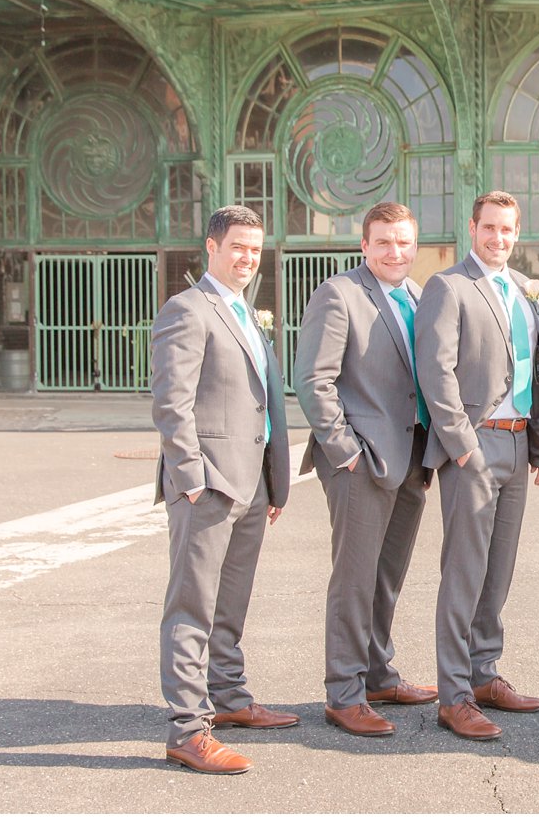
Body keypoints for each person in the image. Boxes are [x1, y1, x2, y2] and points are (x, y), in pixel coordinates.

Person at [416, 191, 539, 741]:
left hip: (518, 445)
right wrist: (461, 446)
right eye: (489, 229)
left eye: (507, 230)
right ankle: (453, 695)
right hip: (474, 446)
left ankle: (484, 673)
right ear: (473, 229)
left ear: (516, 233)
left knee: (497, 570)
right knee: (464, 572)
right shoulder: (449, 287)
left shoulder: (524, 295)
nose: (498, 239)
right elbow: (436, 372)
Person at [151, 205, 295, 775]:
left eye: (256, 249)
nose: (247, 257)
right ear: (211, 247)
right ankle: (188, 730)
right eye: (238, 246)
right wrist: (190, 480)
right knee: (192, 607)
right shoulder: (188, 310)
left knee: (231, 603)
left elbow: (266, 402)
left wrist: (273, 482)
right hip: (208, 485)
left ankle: (230, 699)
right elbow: (170, 402)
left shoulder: (246, 314)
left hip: (252, 483)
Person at [293, 201, 438, 739]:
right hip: (361, 463)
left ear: (414, 246)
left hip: (413, 460)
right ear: (364, 245)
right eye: (383, 242)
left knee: (386, 577)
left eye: (403, 242)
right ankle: (344, 692)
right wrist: (344, 450)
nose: (394, 251)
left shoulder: (421, 298)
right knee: (354, 580)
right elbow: (313, 380)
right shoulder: (340, 295)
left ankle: (378, 674)